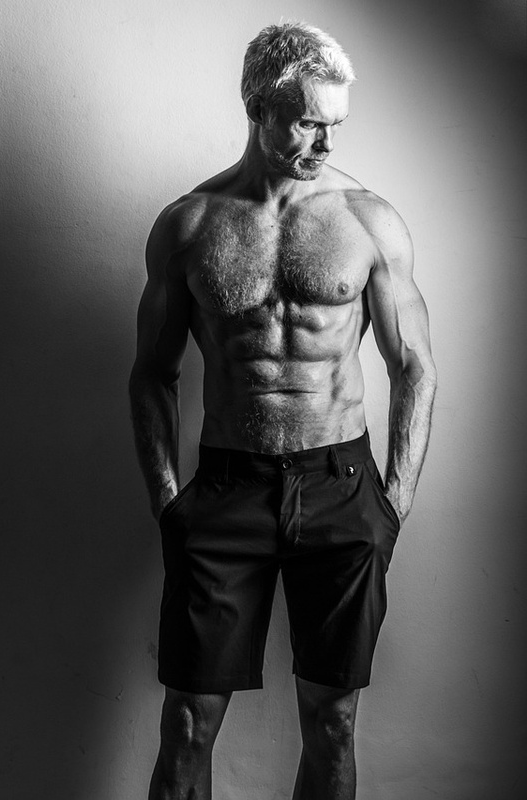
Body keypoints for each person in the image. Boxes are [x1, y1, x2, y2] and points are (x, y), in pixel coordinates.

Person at [128, 21, 436, 800]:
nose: (326, 143)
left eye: (336, 124)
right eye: (307, 122)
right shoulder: (191, 225)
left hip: (340, 488)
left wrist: (392, 503)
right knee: (188, 725)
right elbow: (152, 374)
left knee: (333, 724)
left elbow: (414, 367)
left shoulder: (368, 221)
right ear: (257, 107)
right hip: (227, 491)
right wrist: (170, 505)